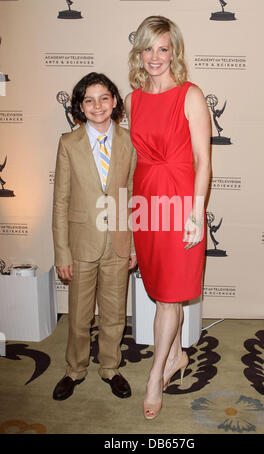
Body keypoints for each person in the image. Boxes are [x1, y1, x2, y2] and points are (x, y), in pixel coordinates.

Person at [125, 16, 211, 419]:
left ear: (173, 51)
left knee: (170, 296)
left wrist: (196, 214)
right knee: (160, 289)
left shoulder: (190, 95)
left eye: (163, 48)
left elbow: (204, 163)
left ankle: (155, 375)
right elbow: (134, 160)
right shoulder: (133, 99)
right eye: (148, 48)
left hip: (180, 205)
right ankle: (176, 355)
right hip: (147, 202)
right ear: (139, 52)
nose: (155, 56)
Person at [52, 72, 137, 401]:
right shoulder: (68, 143)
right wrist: (62, 253)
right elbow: (60, 201)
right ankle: (74, 369)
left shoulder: (129, 140)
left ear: (115, 101)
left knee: (115, 313)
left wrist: (134, 244)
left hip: (118, 242)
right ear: (80, 106)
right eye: (89, 99)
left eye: (104, 98)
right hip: (80, 245)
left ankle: (111, 368)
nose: (97, 105)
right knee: (80, 315)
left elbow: (134, 195)